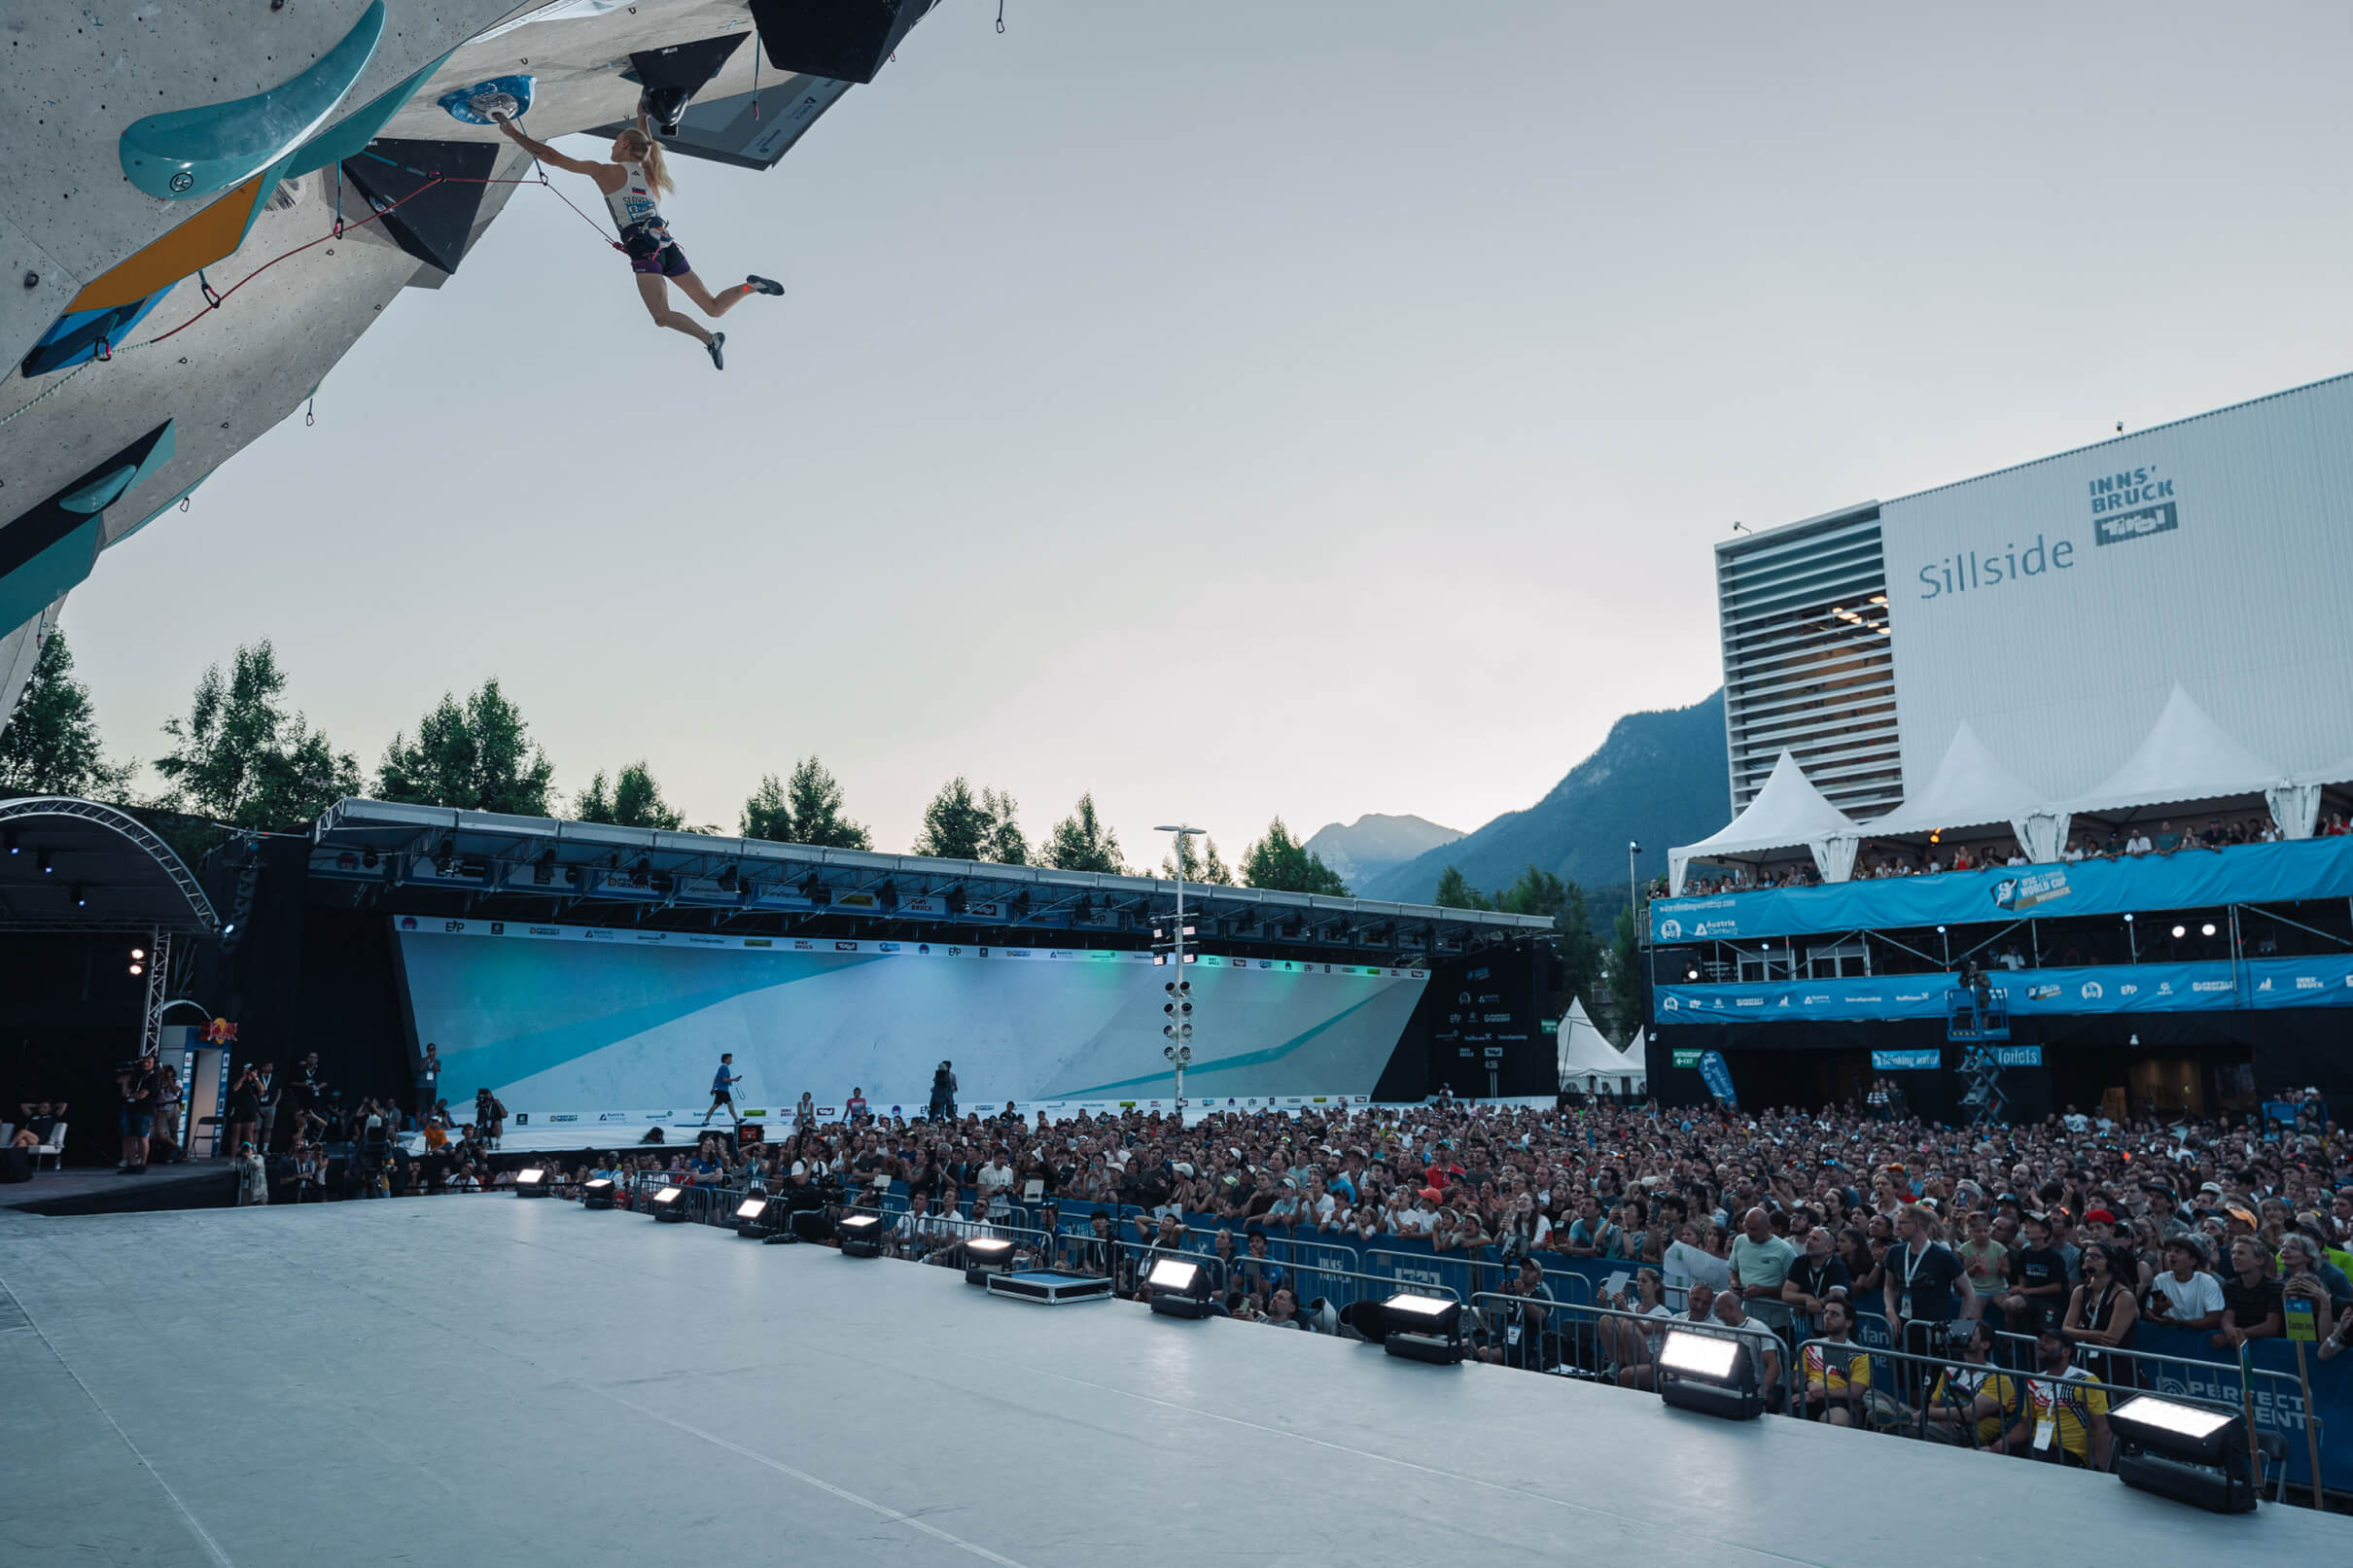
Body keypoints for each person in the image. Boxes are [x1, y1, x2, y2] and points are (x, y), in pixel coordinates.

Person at [493, 104, 782, 369]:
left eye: (616, 140)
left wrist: (512, 132)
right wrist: (642, 118)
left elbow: (552, 157)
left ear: (625, 145)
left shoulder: (605, 171)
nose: (612, 145)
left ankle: (710, 339)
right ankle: (751, 288)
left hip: (645, 249)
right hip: (666, 246)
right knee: (714, 308)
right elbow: (650, 149)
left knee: (662, 316)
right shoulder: (652, 176)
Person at [2006, 1328, 2110, 1468]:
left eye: (2048, 1341)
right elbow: (2025, 1424)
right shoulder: (2034, 1381)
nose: (2040, 1344)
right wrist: (2002, 1444)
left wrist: (2098, 1469)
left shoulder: (2086, 1381)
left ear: (2066, 1352)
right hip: (2036, 1448)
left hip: (2069, 1455)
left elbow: (2103, 1428)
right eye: (2040, 1340)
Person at [1798, 1300, 1871, 1426]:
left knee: (1837, 1421)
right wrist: (1809, 1385)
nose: (1827, 1317)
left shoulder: (1859, 1355)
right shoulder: (1810, 1345)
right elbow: (1796, 1379)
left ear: (1848, 1323)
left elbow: (1855, 1392)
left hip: (1838, 1401)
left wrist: (1823, 1393)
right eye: (1826, 1312)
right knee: (1783, 1417)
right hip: (1807, 1394)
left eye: (1834, 1314)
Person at [2143, 1236, 2226, 1333]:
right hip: (2167, 1332)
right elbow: (2150, 1313)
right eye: (2169, 1250)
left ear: (2192, 1261)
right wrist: (2158, 1311)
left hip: (2197, 1335)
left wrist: (2179, 1323)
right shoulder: (2160, 1279)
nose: (2171, 1254)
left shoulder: (2208, 1282)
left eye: (2178, 1252)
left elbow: (2214, 1319)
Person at [2215, 1236, 2284, 1350]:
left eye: (2241, 1253)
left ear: (2259, 1260)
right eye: (2233, 1253)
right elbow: (2227, 1316)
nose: (2234, 1257)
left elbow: (2271, 1326)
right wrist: (2229, 1330)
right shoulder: (2229, 1286)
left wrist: (2237, 1335)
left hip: (2268, 1351)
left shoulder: (2276, 1288)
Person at [702, 1053, 742, 1129]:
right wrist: (734, 1079)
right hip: (722, 1090)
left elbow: (716, 1078)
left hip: (723, 1090)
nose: (731, 1060)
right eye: (730, 1058)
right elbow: (724, 1079)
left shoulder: (721, 1068)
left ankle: (737, 1120)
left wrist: (713, 1088)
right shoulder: (724, 1068)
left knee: (730, 1104)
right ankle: (706, 1121)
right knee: (715, 1106)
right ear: (726, 1059)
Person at [232, 1139, 268, 1206]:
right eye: (245, 1150)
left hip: (259, 1192)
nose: (246, 1151)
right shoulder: (241, 1160)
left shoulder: (259, 1157)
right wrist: (238, 1154)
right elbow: (237, 1169)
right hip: (246, 1190)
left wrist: (249, 1156)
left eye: (248, 1149)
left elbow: (257, 1165)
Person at [416, 1044, 441, 1126]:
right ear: (427, 1051)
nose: (431, 1052)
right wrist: (427, 1059)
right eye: (430, 1050)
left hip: (432, 1086)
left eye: (433, 1050)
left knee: (430, 1106)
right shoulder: (421, 1060)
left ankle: (427, 1125)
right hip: (422, 1086)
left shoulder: (437, 1061)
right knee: (420, 1106)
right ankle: (417, 1127)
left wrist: (433, 1060)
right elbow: (421, 1069)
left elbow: (437, 1070)